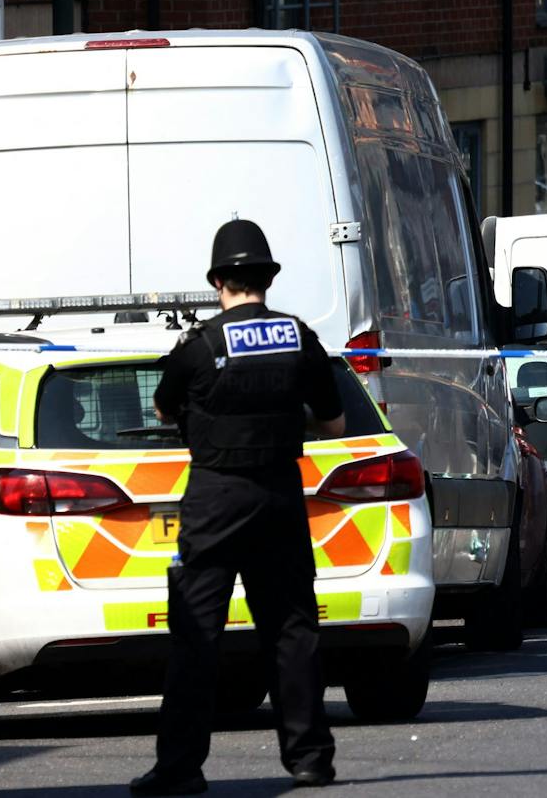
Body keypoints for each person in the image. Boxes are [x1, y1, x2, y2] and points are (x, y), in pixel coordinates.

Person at [131, 220, 344, 795]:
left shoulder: (199, 347)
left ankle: (180, 768)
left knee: (198, 633)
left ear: (219, 280)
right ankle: (310, 760)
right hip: (279, 495)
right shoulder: (300, 338)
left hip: (216, 499)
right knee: (292, 627)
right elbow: (334, 421)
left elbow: (163, 410)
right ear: (267, 279)